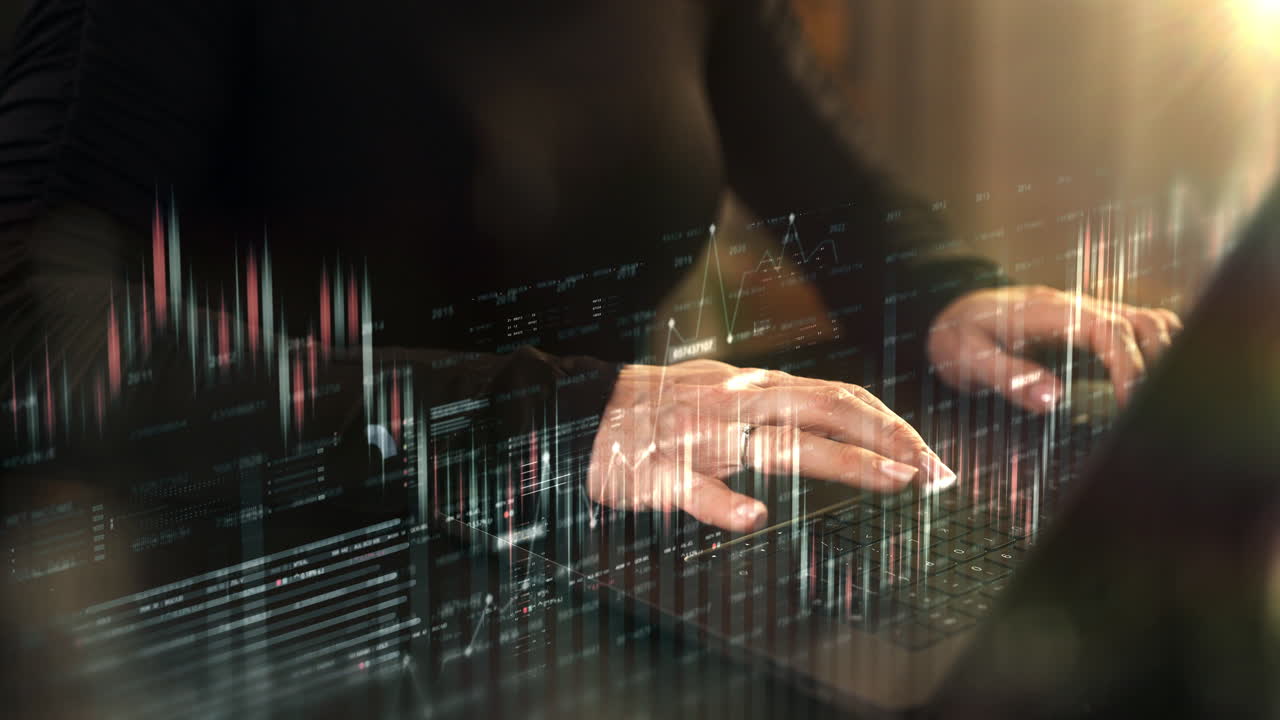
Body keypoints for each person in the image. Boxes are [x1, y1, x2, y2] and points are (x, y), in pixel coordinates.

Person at [0, 0, 1179, 537]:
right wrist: (544, 423)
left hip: (592, 550)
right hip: (246, 585)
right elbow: (33, 343)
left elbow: (833, 189)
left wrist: (942, 293)